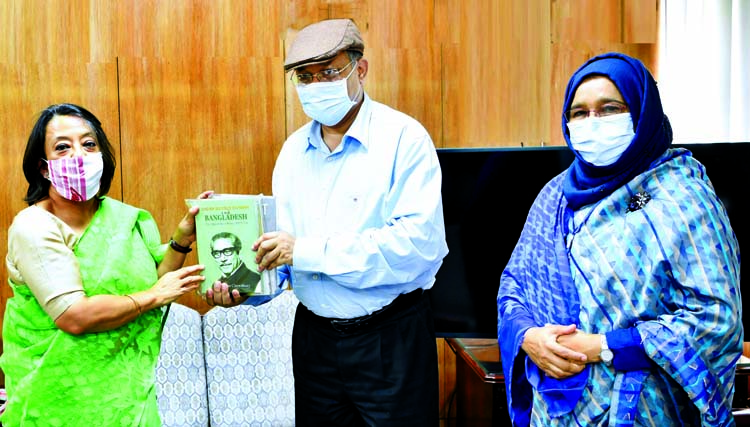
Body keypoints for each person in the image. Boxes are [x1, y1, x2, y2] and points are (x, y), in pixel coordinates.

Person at [204, 18, 449, 427]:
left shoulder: (404, 139)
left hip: (390, 338)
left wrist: (303, 250)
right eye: (306, 76)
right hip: (315, 340)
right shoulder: (292, 153)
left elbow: (415, 247)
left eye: (329, 72)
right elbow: (283, 261)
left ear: (361, 70)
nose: (317, 85)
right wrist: (245, 288)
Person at [497, 52, 743, 426]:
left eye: (609, 108)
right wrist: (529, 337)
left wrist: (604, 348)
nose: (592, 123)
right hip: (554, 411)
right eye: (579, 113)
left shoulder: (684, 197)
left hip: (646, 410)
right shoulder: (555, 197)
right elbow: (513, 285)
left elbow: (715, 319)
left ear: (642, 113)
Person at [0, 103, 210, 426]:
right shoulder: (34, 228)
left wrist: (181, 238)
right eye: (62, 147)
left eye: (88, 144)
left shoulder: (126, 218)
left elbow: (154, 282)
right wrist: (154, 295)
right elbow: (74, 316)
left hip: (128, 403)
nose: (78, 155)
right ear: (43, 168)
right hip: (55, 401)